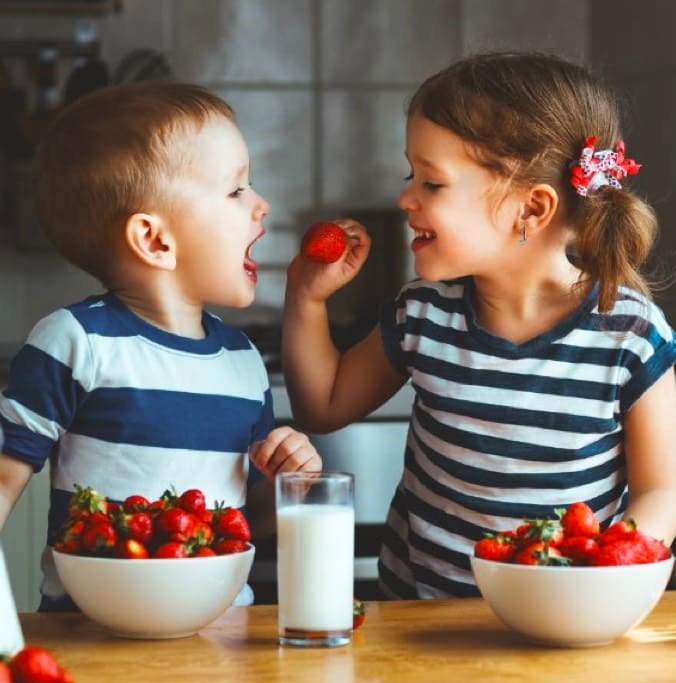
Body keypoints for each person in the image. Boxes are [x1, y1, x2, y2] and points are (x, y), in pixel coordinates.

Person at [282, 51, 676, 599]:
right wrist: (305, 299)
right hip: (418, 625)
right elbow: (321, 407)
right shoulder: (422, 314)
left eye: (432, 183)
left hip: (556, 622)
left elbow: (663, 491)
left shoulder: (630, 335)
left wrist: (607, 572)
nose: (405, 197)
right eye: (410, 174)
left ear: (531, 209)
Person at [0, 81, 321, 610]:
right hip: (90, 641)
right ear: (154, 240)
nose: (262, 205)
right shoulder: (76, 342)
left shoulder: (243, 362)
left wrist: (293, 487)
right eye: (236, 189)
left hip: (222, 642)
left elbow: (248, 522)